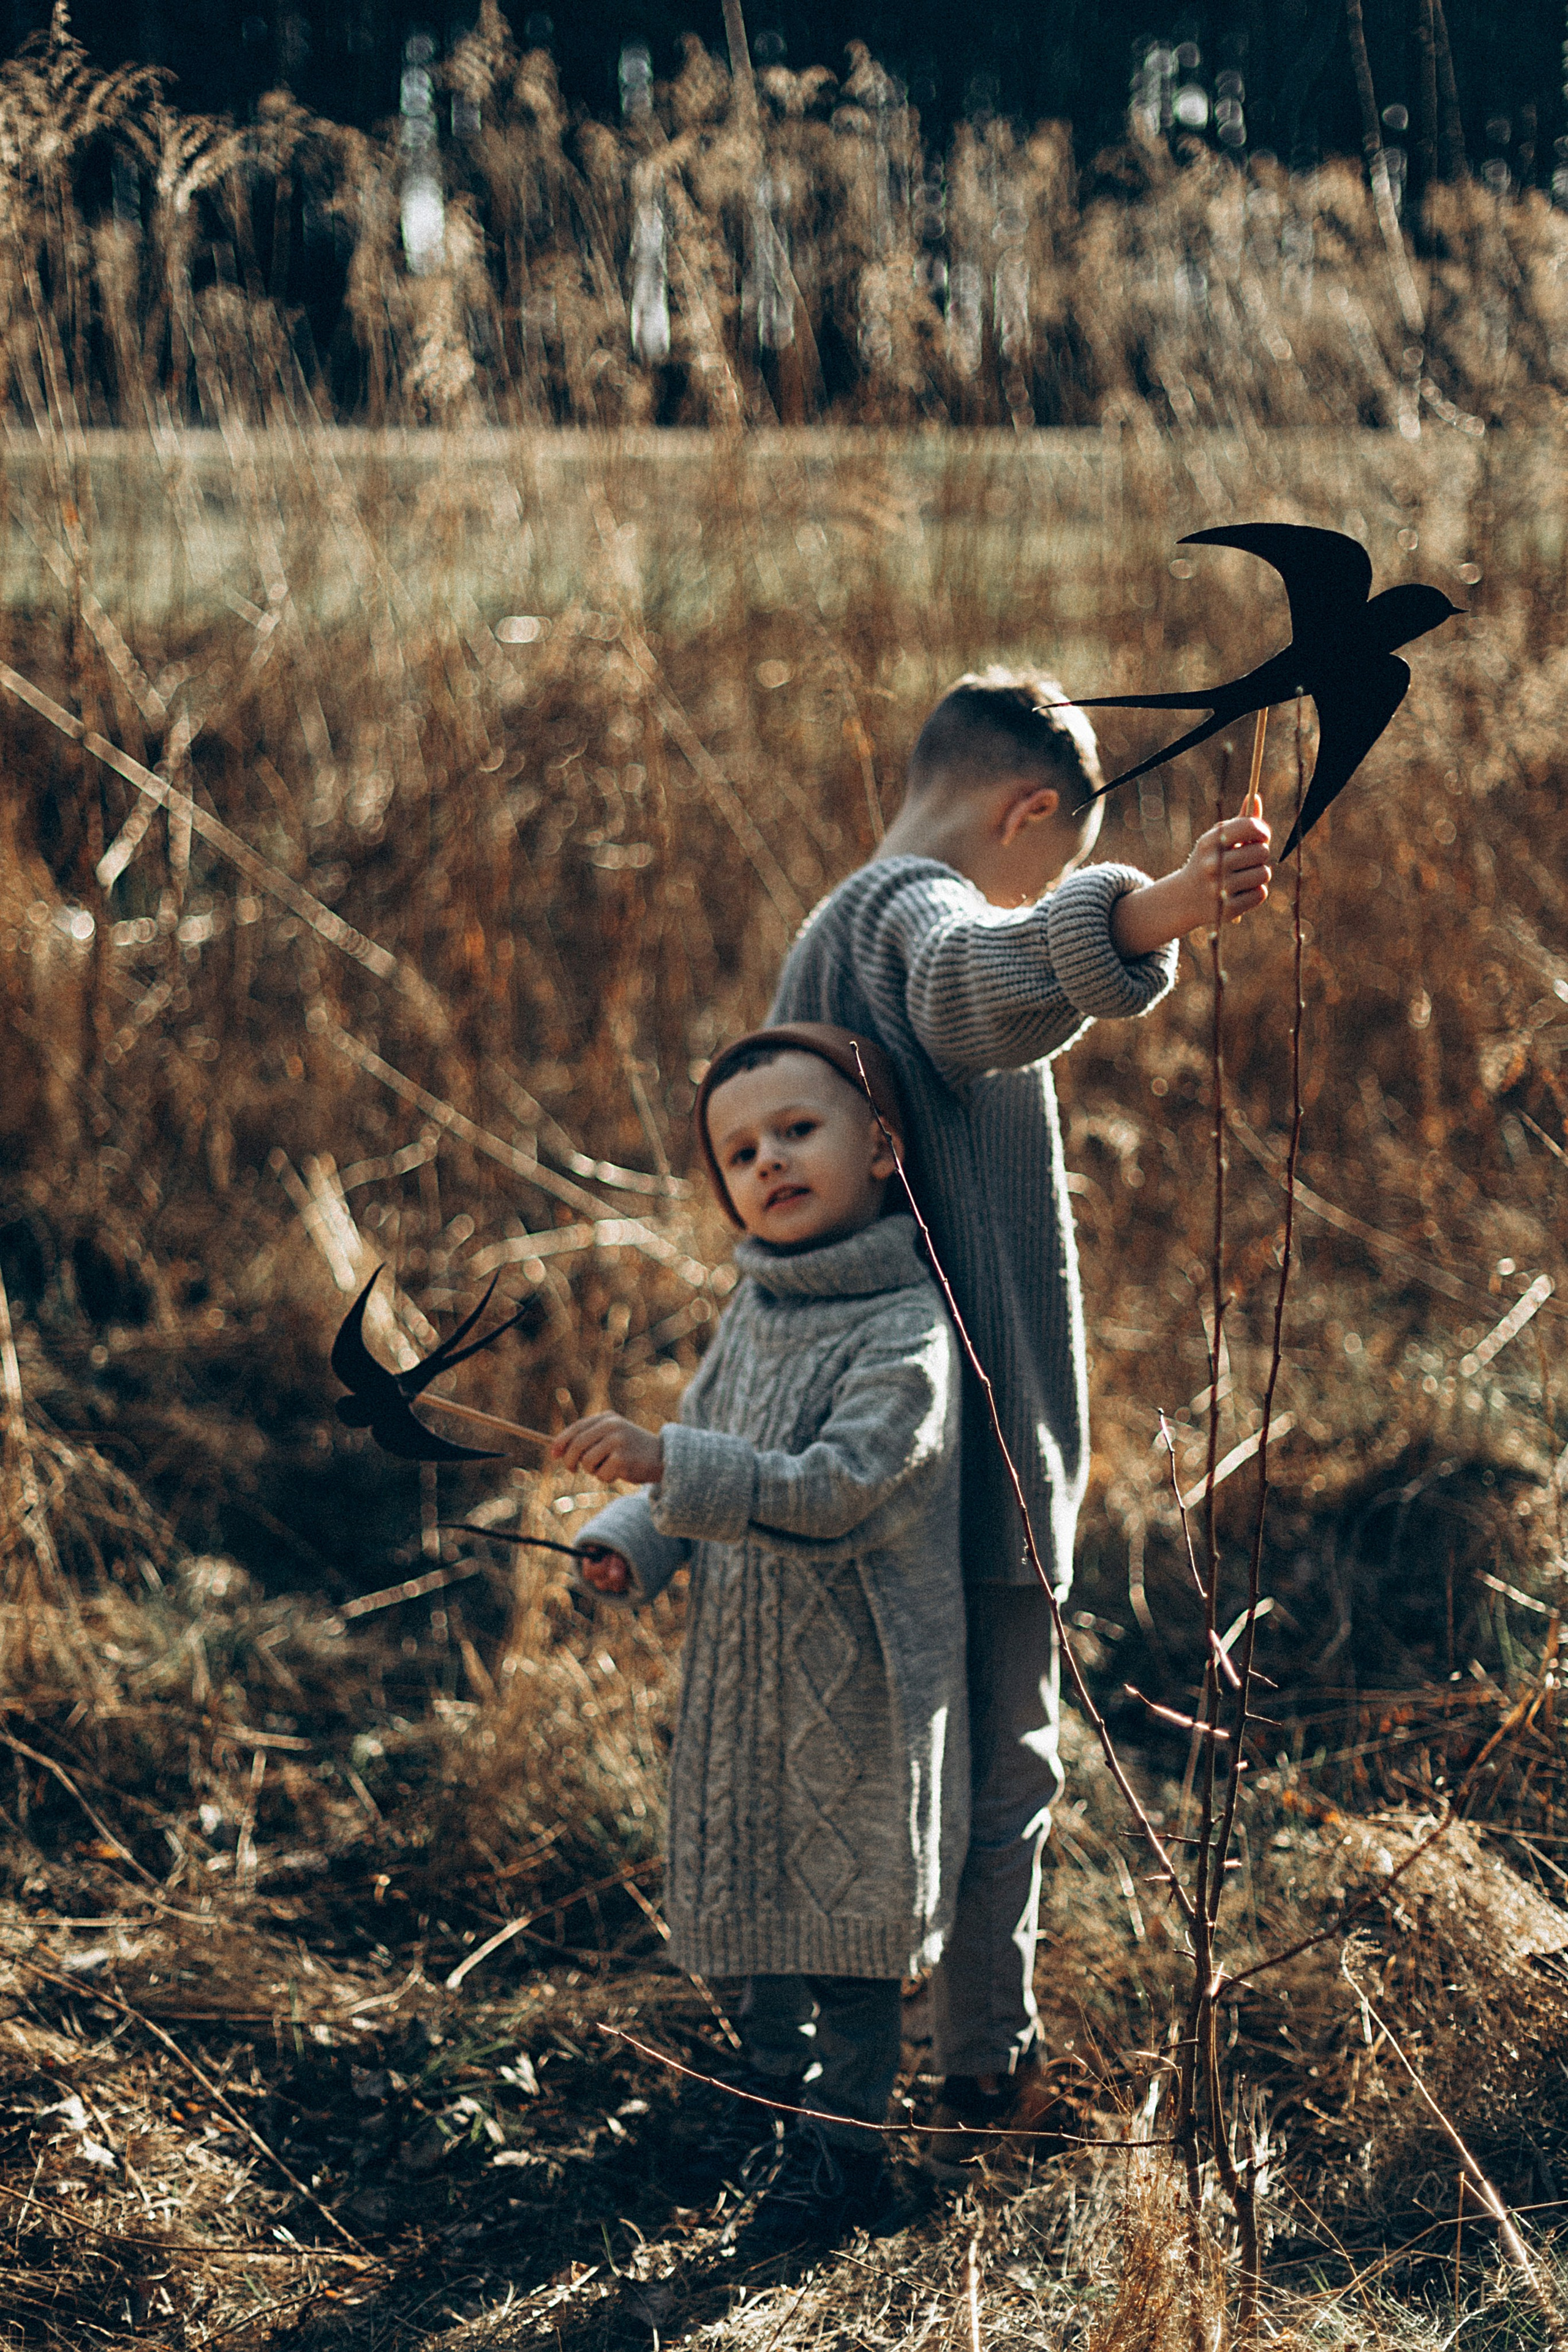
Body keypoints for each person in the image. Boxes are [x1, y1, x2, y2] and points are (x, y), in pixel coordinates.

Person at [766, 668, 1273, 2169]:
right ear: (1026, 812)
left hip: (863, 1443)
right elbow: (968, 981)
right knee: (1003, 1771)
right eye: (1046, 866)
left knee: (885, 1773)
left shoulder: (824, 932)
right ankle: (982, 2078)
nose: (1028, 899)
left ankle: (850, 2063)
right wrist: (1152, 910)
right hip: (964, 1468)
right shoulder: (910, 916)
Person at [554, 1025, 967, 2247]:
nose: (770, 1161)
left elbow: (838, 1487)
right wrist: (632, 1538)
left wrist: (665, 1464)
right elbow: (701, 1452)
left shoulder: (906, 1327)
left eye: (797, 1130)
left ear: (880, 1148)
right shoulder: (755, 1310)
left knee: (846, 1938)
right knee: (752, 1909)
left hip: (855, 1698)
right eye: (740, 1153)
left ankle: (844, 2155)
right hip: (745, 1677)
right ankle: (763, 2091)